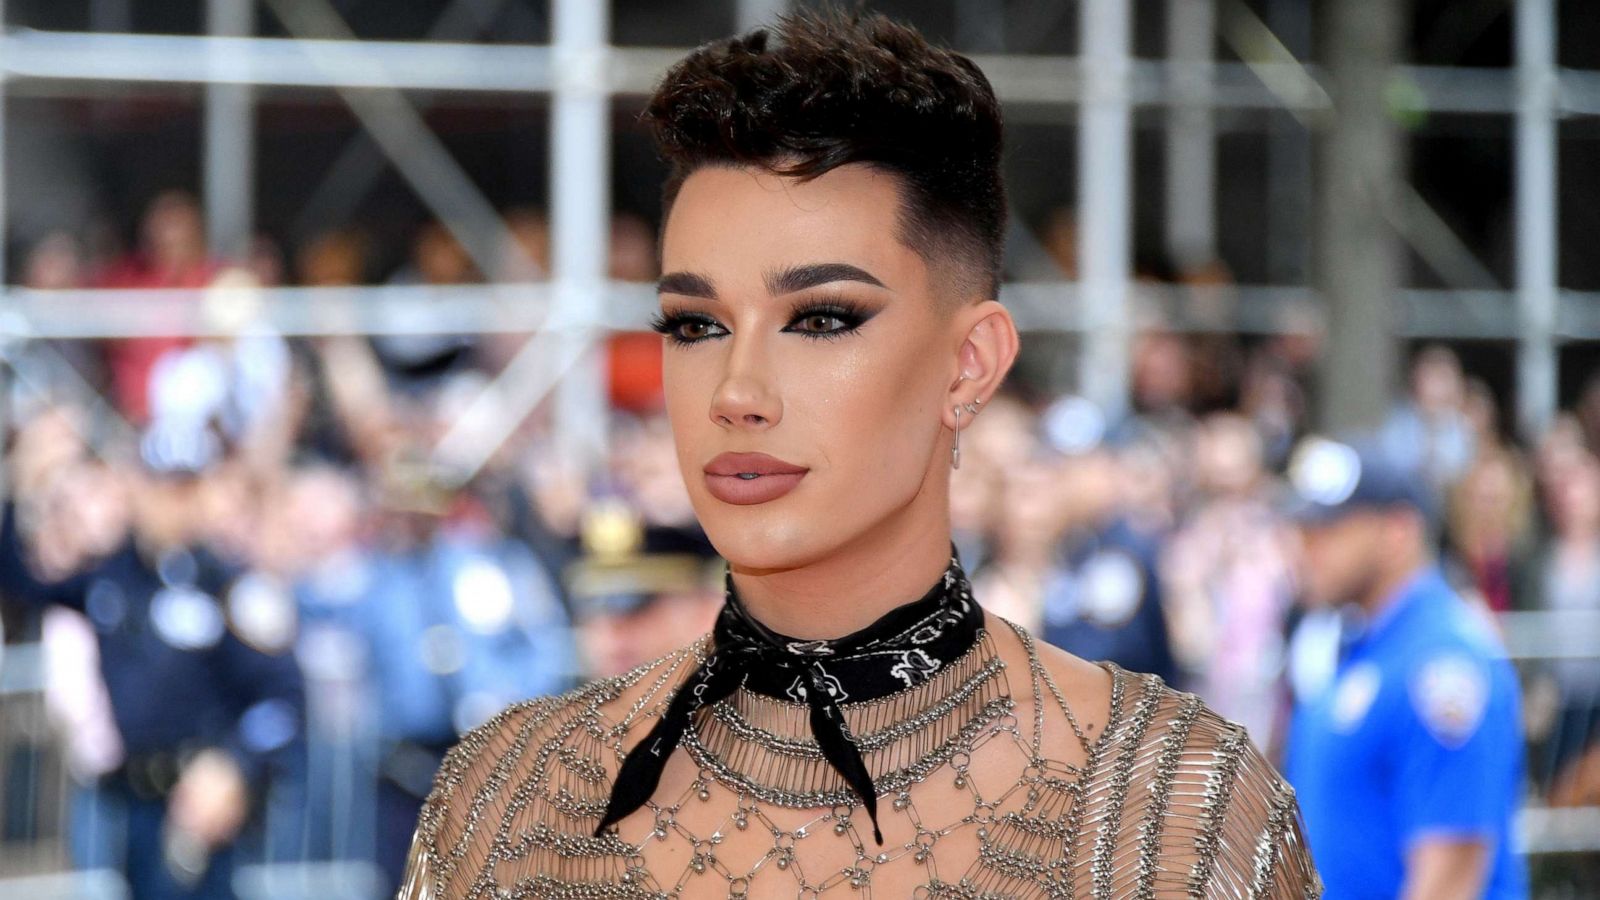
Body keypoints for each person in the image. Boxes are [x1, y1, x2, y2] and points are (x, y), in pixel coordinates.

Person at [397, 11, 1321, 898]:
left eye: (822, 318)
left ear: (971, 364)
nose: (736, 392)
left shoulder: (1169, 812)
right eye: (695, 325)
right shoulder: (508, 804)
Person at [1283, 436, 1527, 899]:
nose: (1305, 549)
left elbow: (1449, 877)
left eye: (1327, 532)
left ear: (1397, 531)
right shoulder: (1359, 647)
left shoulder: (1442, 666)